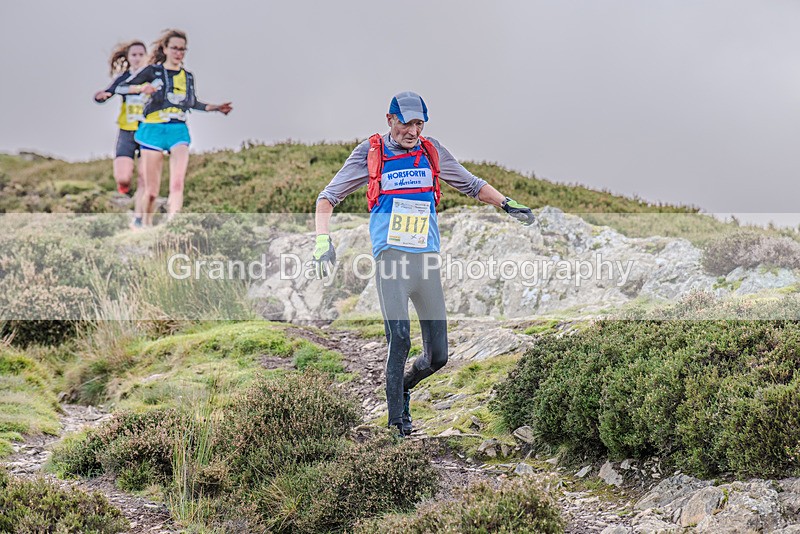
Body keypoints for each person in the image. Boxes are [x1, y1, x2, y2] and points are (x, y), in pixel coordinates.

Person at [313, 91, 535, 438]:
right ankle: (396, 427)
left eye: (419, 124)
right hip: (391, 259)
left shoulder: (431, 152)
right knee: (399, 338)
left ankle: (401, 385)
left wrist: (506, 204)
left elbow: (472, 185)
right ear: (390, 120)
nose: (412, 131)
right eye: (406, 123)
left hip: (425, 260)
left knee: (438, 357)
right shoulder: (372, 152)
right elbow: (327, 196)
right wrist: (322, 240)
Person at [114, 29, 232, 225]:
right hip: (152, 129)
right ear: (165, 49)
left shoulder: (188, 77)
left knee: (177, 184)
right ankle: (144, 224)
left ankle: (173, 225)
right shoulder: (152, 71)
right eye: (175, 48)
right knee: (151, 192)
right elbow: (121, 87)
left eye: (182, 49)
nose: (179, 53)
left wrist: (215, 108)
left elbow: (193, 103)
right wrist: (142, 88)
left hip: (178, 129)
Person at [93, 40, 148, 224]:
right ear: (128, 57)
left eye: (141, 55)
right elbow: (107, 93)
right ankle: (124, 187)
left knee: (144, 177)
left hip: (147, 130)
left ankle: (139, 218)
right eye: (134, 55)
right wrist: (102, 96)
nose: (138, 58)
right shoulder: (123, 78)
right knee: (124, 177)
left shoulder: (153, 76)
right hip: (126, 130)